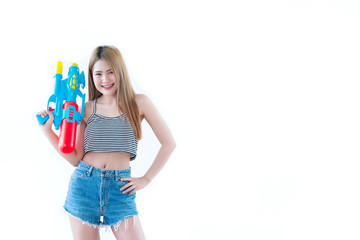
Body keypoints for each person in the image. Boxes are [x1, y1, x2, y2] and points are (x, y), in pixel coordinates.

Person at [37, 45, 176, 240]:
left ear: (120, 71)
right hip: (84, 185)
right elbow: (76, 158)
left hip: (121, 189)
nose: (105, 79)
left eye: (110, 72)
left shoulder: (139, 103)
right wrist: (47, 130)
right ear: (91, 77)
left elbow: (169, 143)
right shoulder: (85, 109)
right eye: (98, 73)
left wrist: (146, 178)